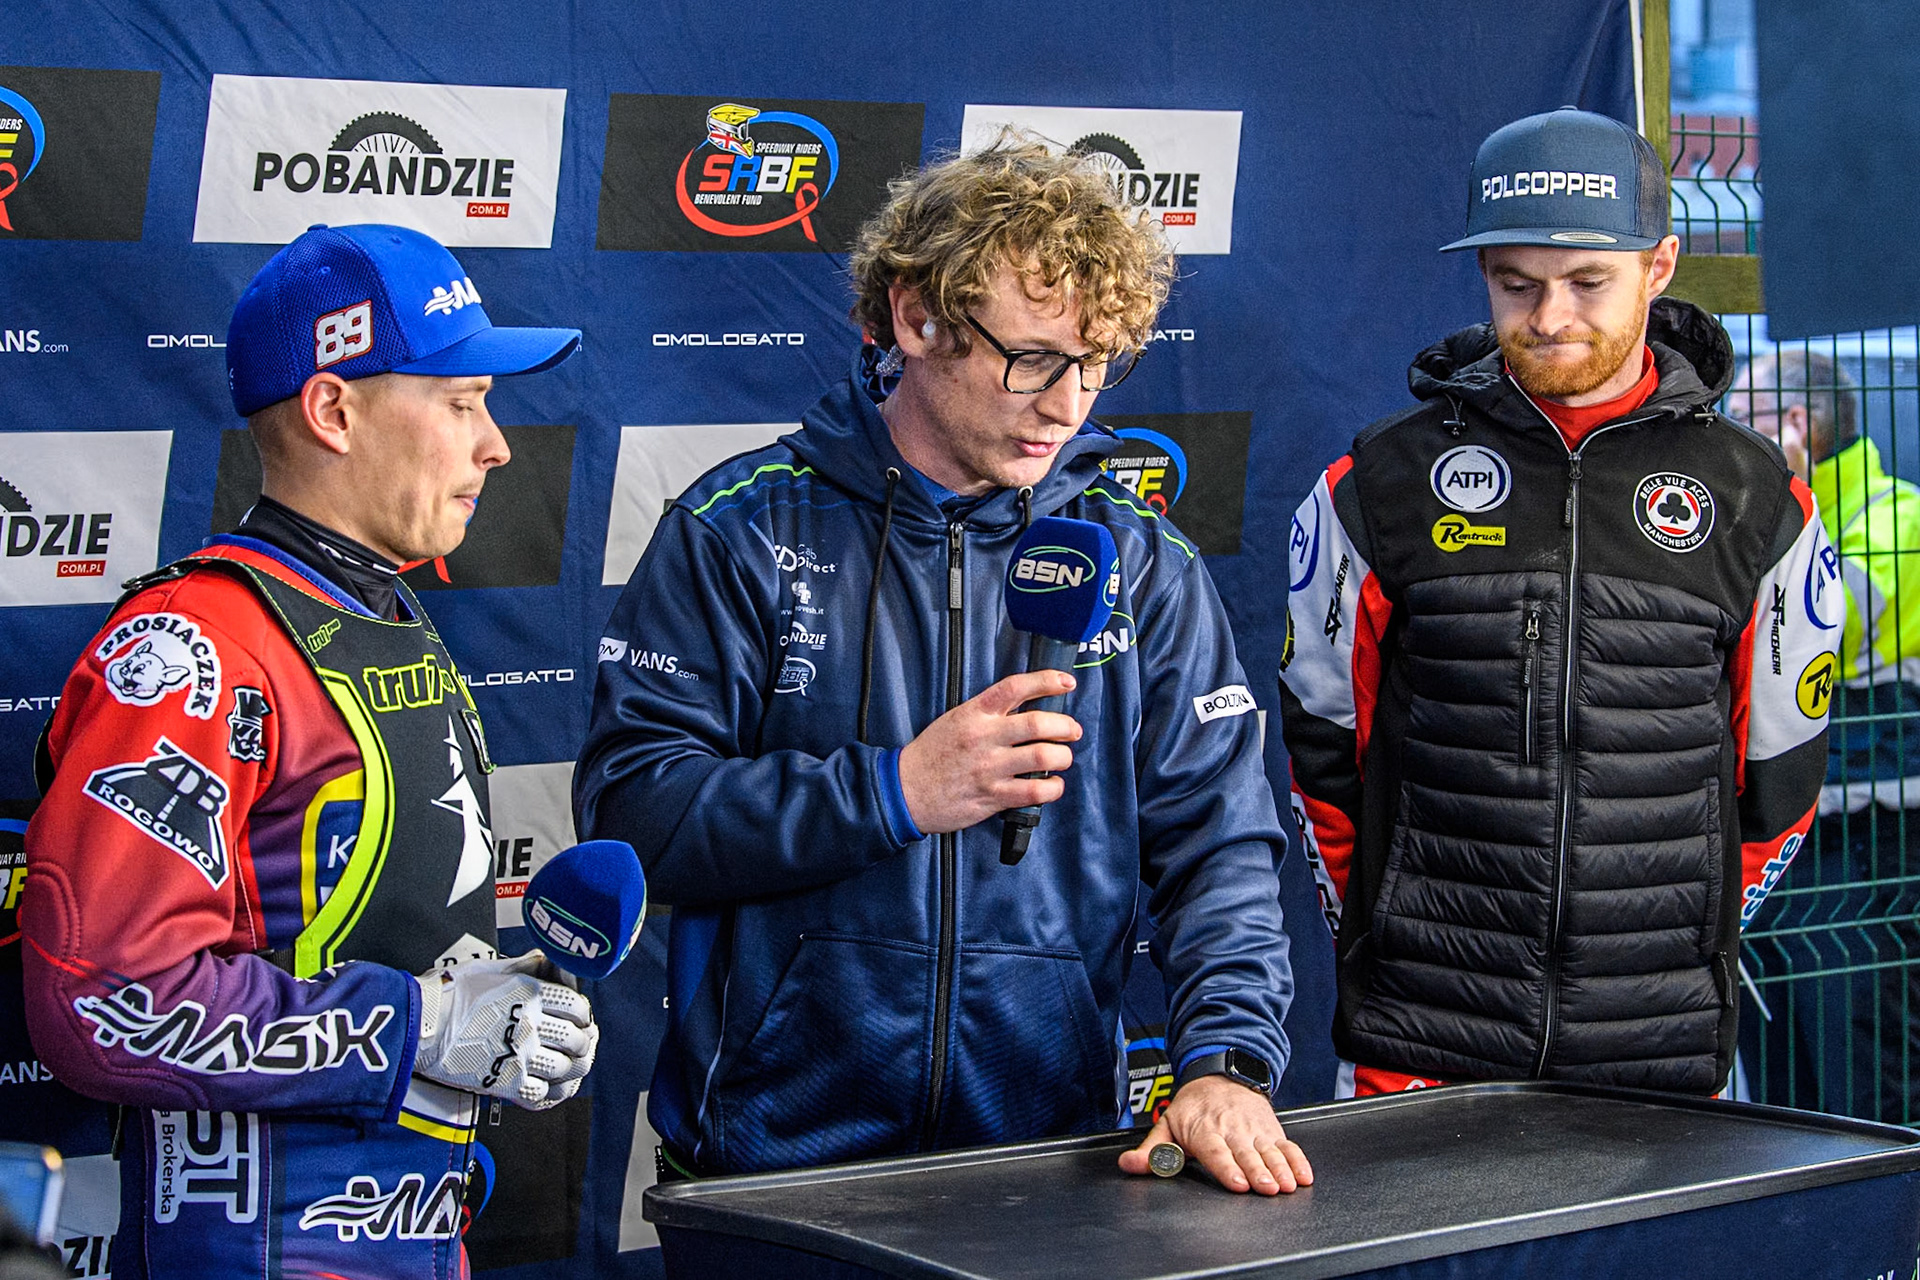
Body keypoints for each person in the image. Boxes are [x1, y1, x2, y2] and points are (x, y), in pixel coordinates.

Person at [576, 140, 1312, 1206]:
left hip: (1045, 1165)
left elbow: (1225, 855)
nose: (1068, 406)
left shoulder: (1144, 564)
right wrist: (894, 793)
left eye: (1095, 365)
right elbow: (631, 813)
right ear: (915, 319)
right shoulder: (740, 529)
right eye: (1034, 359)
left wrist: (1226, 1063)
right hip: (770, 1170)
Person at [22, 224, 598, 1279]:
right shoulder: (192, 646)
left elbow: (369, 933)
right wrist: (417, 1025)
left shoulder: (380, 614)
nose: (497, 443)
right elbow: (101, 997)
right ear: (334, 408)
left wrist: (493, 1011)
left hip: (415, 1239)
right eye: (463, 401)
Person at [1279, 107, 1839, 1098]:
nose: (1549, 318)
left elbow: (1782, 771)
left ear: (1660, 265)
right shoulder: (1379, 480)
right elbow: (1324, 748)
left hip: (1659, 1050)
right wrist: (1386, 924)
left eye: (1589, 282)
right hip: (1421, 1046)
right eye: (1515, 283)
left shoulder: (1759, 500)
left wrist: (1684, 935)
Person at [1729, 351, 1920, 1121]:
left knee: (1861, 1061)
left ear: (1796, 425)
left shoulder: (1897, 512)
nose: (1724, 437)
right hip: (1780, 827)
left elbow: (1818, 627)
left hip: (1872, 836)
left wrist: (1784, 497)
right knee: (1780, 1074)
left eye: (1743, 416)